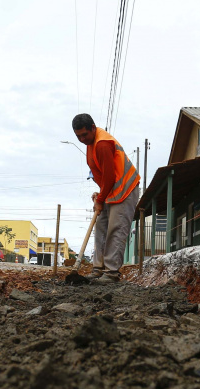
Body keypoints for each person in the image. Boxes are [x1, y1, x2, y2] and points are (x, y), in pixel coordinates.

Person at [71, 113, 140, 283]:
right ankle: (98, 269)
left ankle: (111, 273)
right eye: (78, 136)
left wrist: (101, 199)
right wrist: (100, 194)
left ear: (93, 128)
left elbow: (110, 176)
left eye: (84, 135)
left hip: (125, 189)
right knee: (101, 228)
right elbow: (102, 175)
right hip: (110, 190)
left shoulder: (101, 144)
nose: (81, 139)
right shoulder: (90, 143)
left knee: (116, 229)